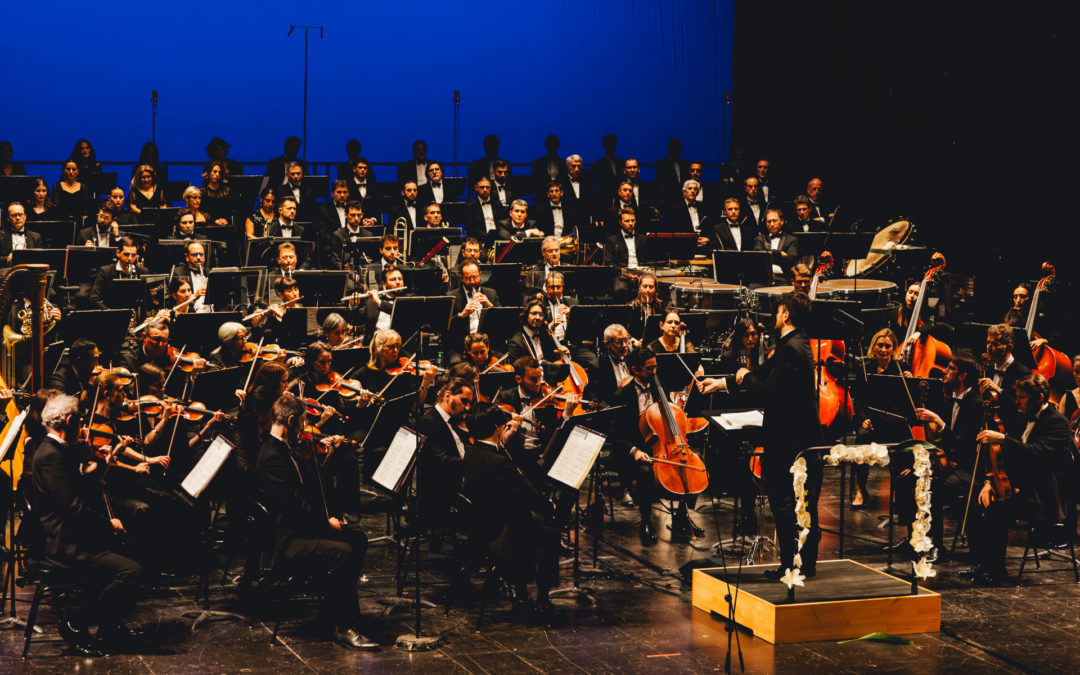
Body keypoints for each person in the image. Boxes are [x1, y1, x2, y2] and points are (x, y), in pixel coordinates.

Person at [254, 393, 377, 650]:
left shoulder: (282, 448)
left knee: (358, 539)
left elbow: (304, 491)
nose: (304, 429)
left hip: (298, 528)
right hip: (286, 541)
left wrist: (322, 460)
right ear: (290, 421)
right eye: (302, 422)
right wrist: (326, 523)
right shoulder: (273, 456)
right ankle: (343, 625)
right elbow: (294, 509)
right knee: (344, 552)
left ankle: (331, 615)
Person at [30, 394, 146, 656]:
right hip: (65, 543)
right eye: (80, 421)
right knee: (132, 572)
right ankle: (77, 621)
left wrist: (103, 460)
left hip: (73, 534)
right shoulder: (51, 456)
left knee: (135, 549)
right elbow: (73, 508)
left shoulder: (59, 450)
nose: (82, 426)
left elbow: (81, 486)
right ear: (69, 420)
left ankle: (110, 627)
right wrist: (108, 524)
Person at [735, 291, 822, 577]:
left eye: (778, 311)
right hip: (794, 438)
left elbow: (768, 389)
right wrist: (723, 382)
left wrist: (745, 378)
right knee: (799, 504)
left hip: (789, 441)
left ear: (786, 315)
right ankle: (801, 564)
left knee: (785, 503)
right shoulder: (793, 343)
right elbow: (763, 373)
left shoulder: (791, 349)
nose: (775, 315)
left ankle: (792, 565)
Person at [967, 373, 1073, 585]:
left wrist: (1003, 438)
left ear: (1039, 398)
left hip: (1043, 497)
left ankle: (997, 573)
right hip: (1023, 488)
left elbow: (1036, 454)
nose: (1016, 403)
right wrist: (990, 482)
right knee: (975, 499)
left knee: (996, 508)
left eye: (1021, 398)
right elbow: (1011, 459)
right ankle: (983, 564)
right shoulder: (1025, 417)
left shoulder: (1057, 423)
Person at [461, 402, 559, 612]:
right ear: (497, 427)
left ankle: (520, 588)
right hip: (501, 533)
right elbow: (526, 495)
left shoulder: (471, 453)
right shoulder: (499, 463)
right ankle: (542, 597)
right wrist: (549, 505)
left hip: (478, 527)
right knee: (550, 532)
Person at [978, 323, 1031, 433]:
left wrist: (998, 390)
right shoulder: (988, 368)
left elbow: (1021, 409)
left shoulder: (1022, 372)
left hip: (1011, 430)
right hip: (989, 427)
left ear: (1009, 347)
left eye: (995, 344)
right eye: (988, 342)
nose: (989, 348)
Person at [89, 237, 148, 310]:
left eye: (133, 255)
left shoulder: (143, 272)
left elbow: (147, 300)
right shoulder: (105, 272)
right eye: (126, 254)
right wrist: (110, 312)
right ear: (118, 253)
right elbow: (94, 298)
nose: (130, 259)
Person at [753, 208, 799, 276]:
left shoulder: (791, 239)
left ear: (782, 221)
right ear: (766, 224)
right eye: (769, 221)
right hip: (763, 276)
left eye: (774, 221)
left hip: (783, 277)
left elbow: (791, 260)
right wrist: (779, 253)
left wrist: (768, 256)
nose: (772, 224)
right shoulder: (760, 239)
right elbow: (758, 256)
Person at [465, 176, 499, 243]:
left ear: (490, 188)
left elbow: (501, 224)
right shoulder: (470, 206)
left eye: (487, 187)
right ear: (476, 188)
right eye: (482, 187)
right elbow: (471, 229)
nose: (485, 190)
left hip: (498, 239)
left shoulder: (498, 204)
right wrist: (488, 237)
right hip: (480, 241)